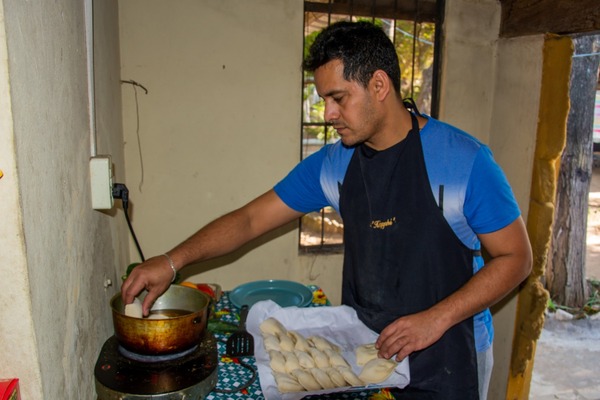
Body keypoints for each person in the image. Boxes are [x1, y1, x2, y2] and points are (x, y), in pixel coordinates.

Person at [121, 21, 532, 399]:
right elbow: (248, 220)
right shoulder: (334, 165)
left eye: (338, 98)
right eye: (324, 100)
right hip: (367, 351)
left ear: (378, 85)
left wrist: (435, 319)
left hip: (449, 355)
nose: (328, 115)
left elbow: (516, 258)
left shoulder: (465, 163)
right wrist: (172, 261)